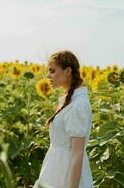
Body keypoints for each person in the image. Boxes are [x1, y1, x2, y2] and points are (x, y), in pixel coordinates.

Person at [33, 50, 93, 188]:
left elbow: (77, 154)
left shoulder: (78, 105)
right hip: (55, 169)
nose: (48, 76)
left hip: (67, 174)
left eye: (52, 71)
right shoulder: (69, 100)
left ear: (67, 71)